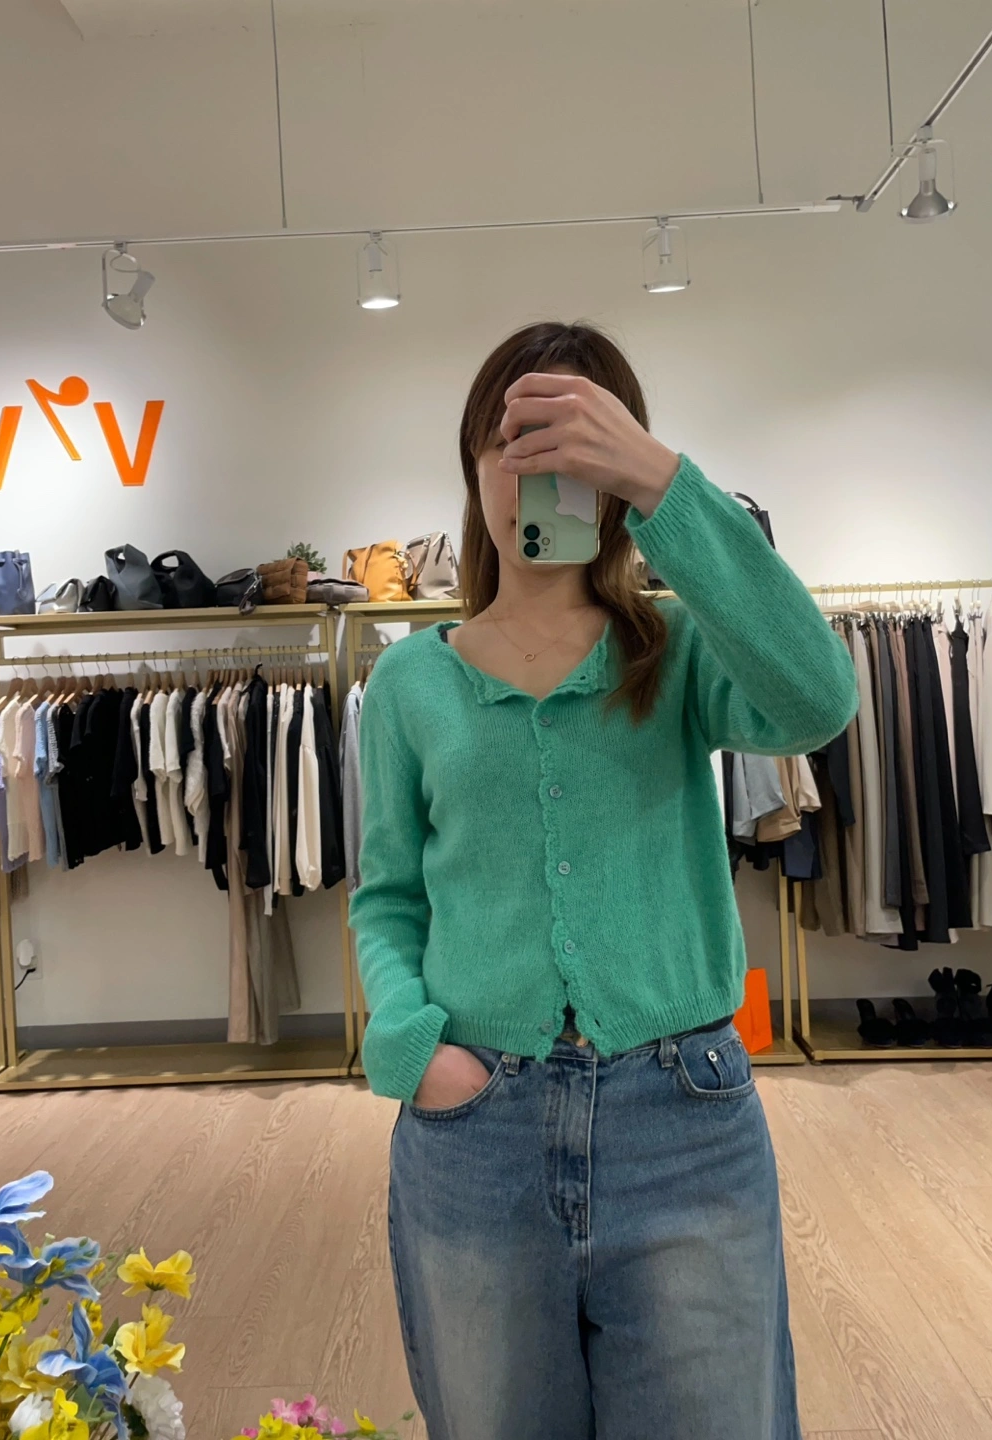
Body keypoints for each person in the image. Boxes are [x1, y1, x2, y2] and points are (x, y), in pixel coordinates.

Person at [350, 321, 858, 1440]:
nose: (541, 471)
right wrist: (414, 1049)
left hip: (684, 1116)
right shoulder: (408, 684)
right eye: (516, 442)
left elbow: (819, 700)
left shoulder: (675, 651)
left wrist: (667, 484)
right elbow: (387, 896)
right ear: (474, 463)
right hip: (475, 1126)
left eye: (578, 446)